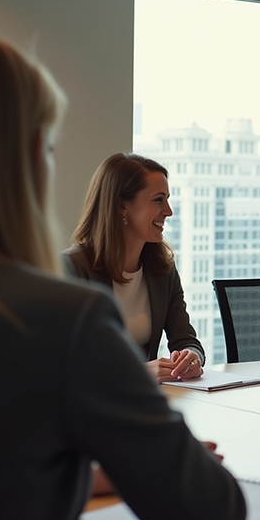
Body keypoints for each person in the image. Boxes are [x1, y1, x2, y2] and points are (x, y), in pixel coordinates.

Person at [0, 29, 245, 520]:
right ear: (29, 154)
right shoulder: (61, 318)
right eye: (51, 147)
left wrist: (77, 473)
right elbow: (213, 508)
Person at [64, 153, 204, 383]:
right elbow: (66, 362)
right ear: (122, 206)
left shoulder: (163, 270)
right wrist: (136, 372)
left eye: (167, 199)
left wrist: (191, 358)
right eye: (158, 199)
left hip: (143, 402)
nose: (168, 211)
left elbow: (186, 340)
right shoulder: (73, 268)